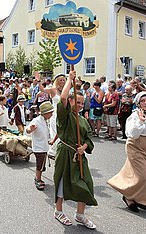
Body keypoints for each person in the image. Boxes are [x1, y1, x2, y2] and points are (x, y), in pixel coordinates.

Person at [54, 71, 97, 230]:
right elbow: (63, 98)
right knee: (63, 184)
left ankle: (80, 214)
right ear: (71, 101)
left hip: (79, 156)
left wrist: (84, 148)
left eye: (81, 103)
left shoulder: (84, 120)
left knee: (86, 183)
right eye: (77, 102)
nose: (79, 106)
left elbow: (89, 138)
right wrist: (70, 80)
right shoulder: (64, 115)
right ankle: (58, 211)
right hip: (66, 153)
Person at [108, 91, 146, 213]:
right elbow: (131, 135)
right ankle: (128, 196)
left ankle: (137, 198)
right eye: (143, 101)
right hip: (136, 146)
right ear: (138, 103)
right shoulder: (135, 116)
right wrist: (140, 121)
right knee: (143, 177)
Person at [37, 73, 66, 159]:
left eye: (64, 80)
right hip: (55, 113)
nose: (62, 81)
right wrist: (39, 81)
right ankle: (52, 152)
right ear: (57, 81)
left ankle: (59, 150)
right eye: (60, 80)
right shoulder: (53, 89)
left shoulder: (65, 90)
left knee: (62, 132)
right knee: (55, 132)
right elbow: (42, 89)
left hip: (63, 113)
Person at [26, 101, 54, 191]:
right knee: (40, 164)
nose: (52, 114)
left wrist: (49, 140)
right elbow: (27, 130)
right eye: (50, 112)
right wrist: (31, 129)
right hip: (39, 147)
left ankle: (38, 177)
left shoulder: (46, 120)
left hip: (44, 146)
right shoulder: (37, 120)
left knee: (42, 164)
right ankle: (37, 179)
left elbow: (45, 132)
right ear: (45, 113)